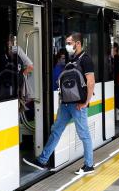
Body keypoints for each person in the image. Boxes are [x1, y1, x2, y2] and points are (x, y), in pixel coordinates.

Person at [23, 32, 96, 175]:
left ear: (78, 43)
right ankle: (42, 160)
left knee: (84, 134)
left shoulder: (86, 60)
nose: (67, 46)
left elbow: (91, 82)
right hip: (66, 104)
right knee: (56, 130)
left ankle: (89, 165)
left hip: (78, 105)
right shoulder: (72, 59)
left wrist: (85, 102)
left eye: (70, 43)